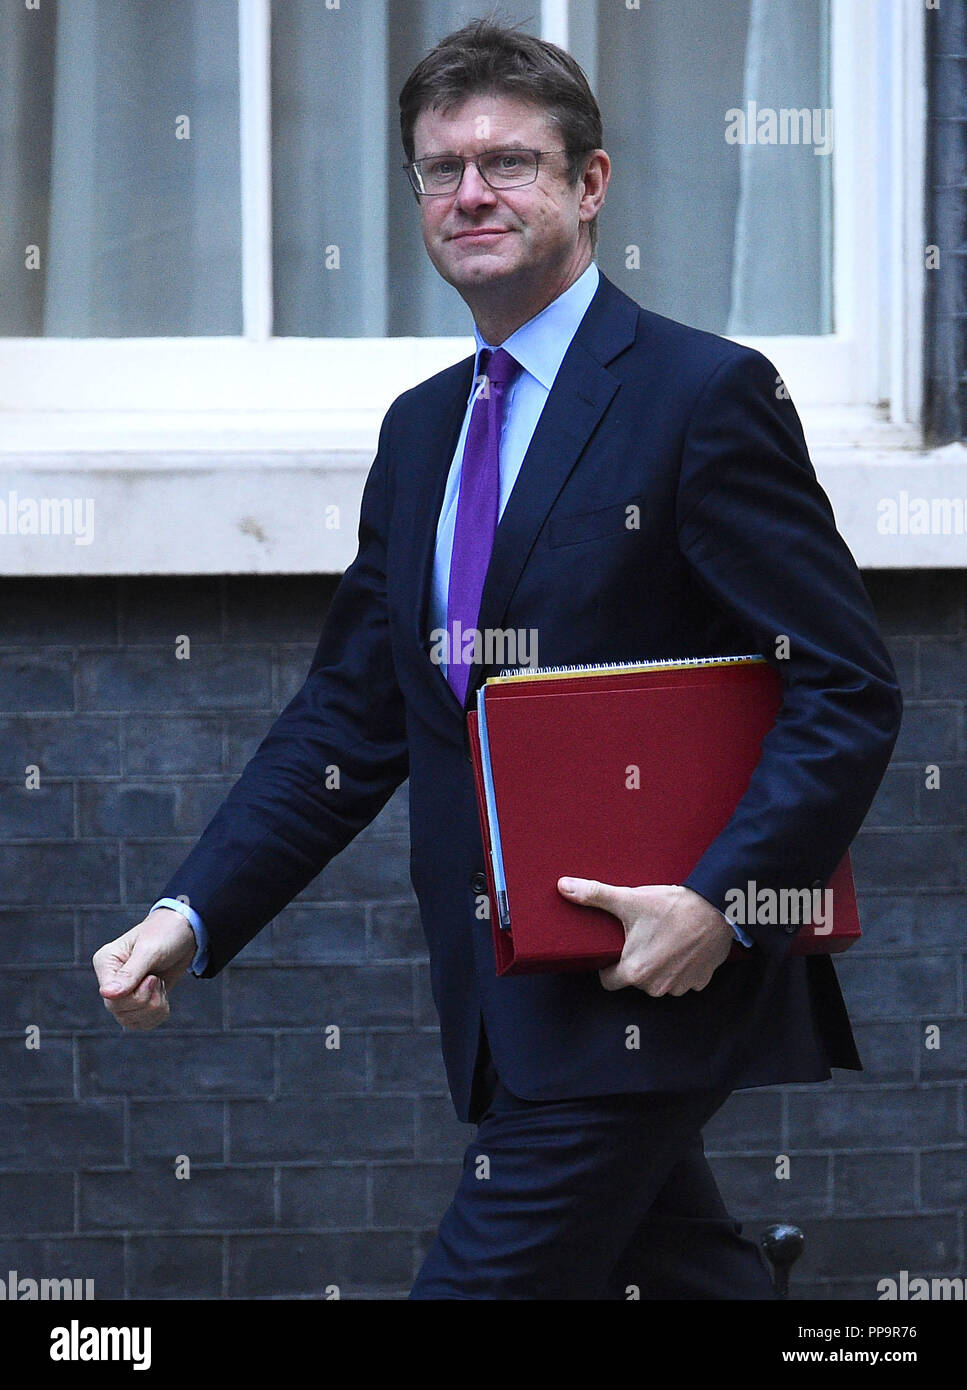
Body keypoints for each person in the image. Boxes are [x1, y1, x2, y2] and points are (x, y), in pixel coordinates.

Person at [92, 20, 902, 1300]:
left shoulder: (701, 396)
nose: (471, 192)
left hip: (649, 982)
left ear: (590, 185)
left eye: (509, 163)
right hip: (505, 998)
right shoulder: (421, 433)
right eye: (439, 169)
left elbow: (847, 684)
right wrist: (188, 915)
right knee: (688, 1276)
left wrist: (725, 902)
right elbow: (350, 718)